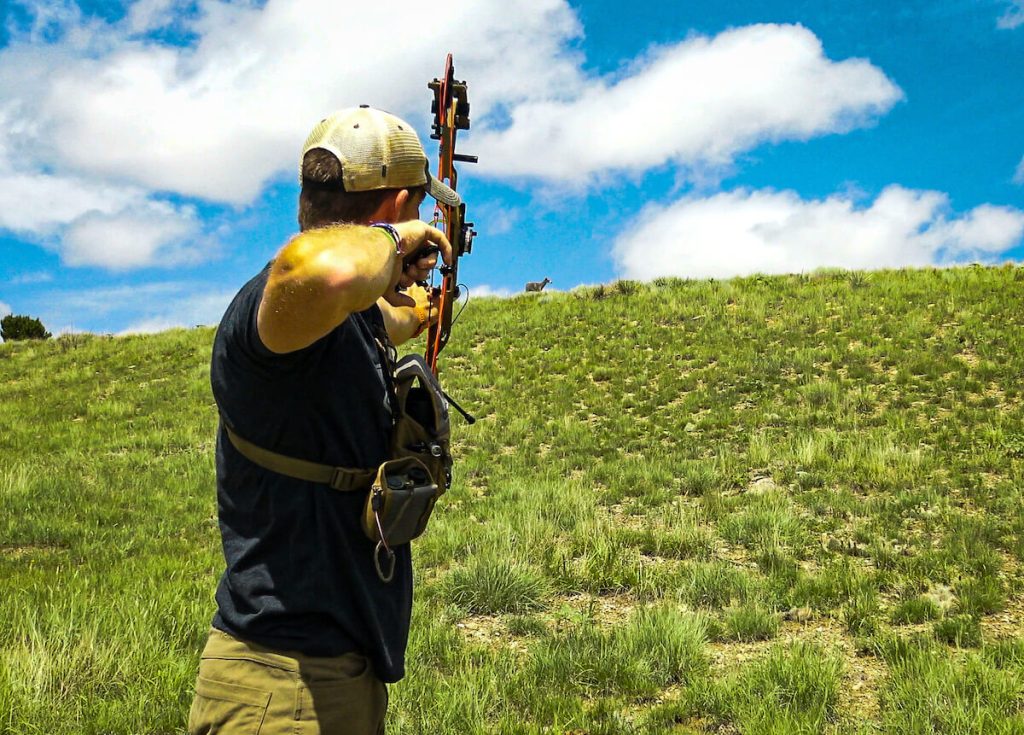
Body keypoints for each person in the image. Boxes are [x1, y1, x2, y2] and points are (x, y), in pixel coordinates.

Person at [187, 106, 455, 735]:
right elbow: (332, 270)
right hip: (280, 691)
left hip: (319, 679)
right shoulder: (281, 302)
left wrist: (418, 308)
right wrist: (396, 243)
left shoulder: (336, 319)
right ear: (395, 205)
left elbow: (381, 318)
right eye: (412, 209)